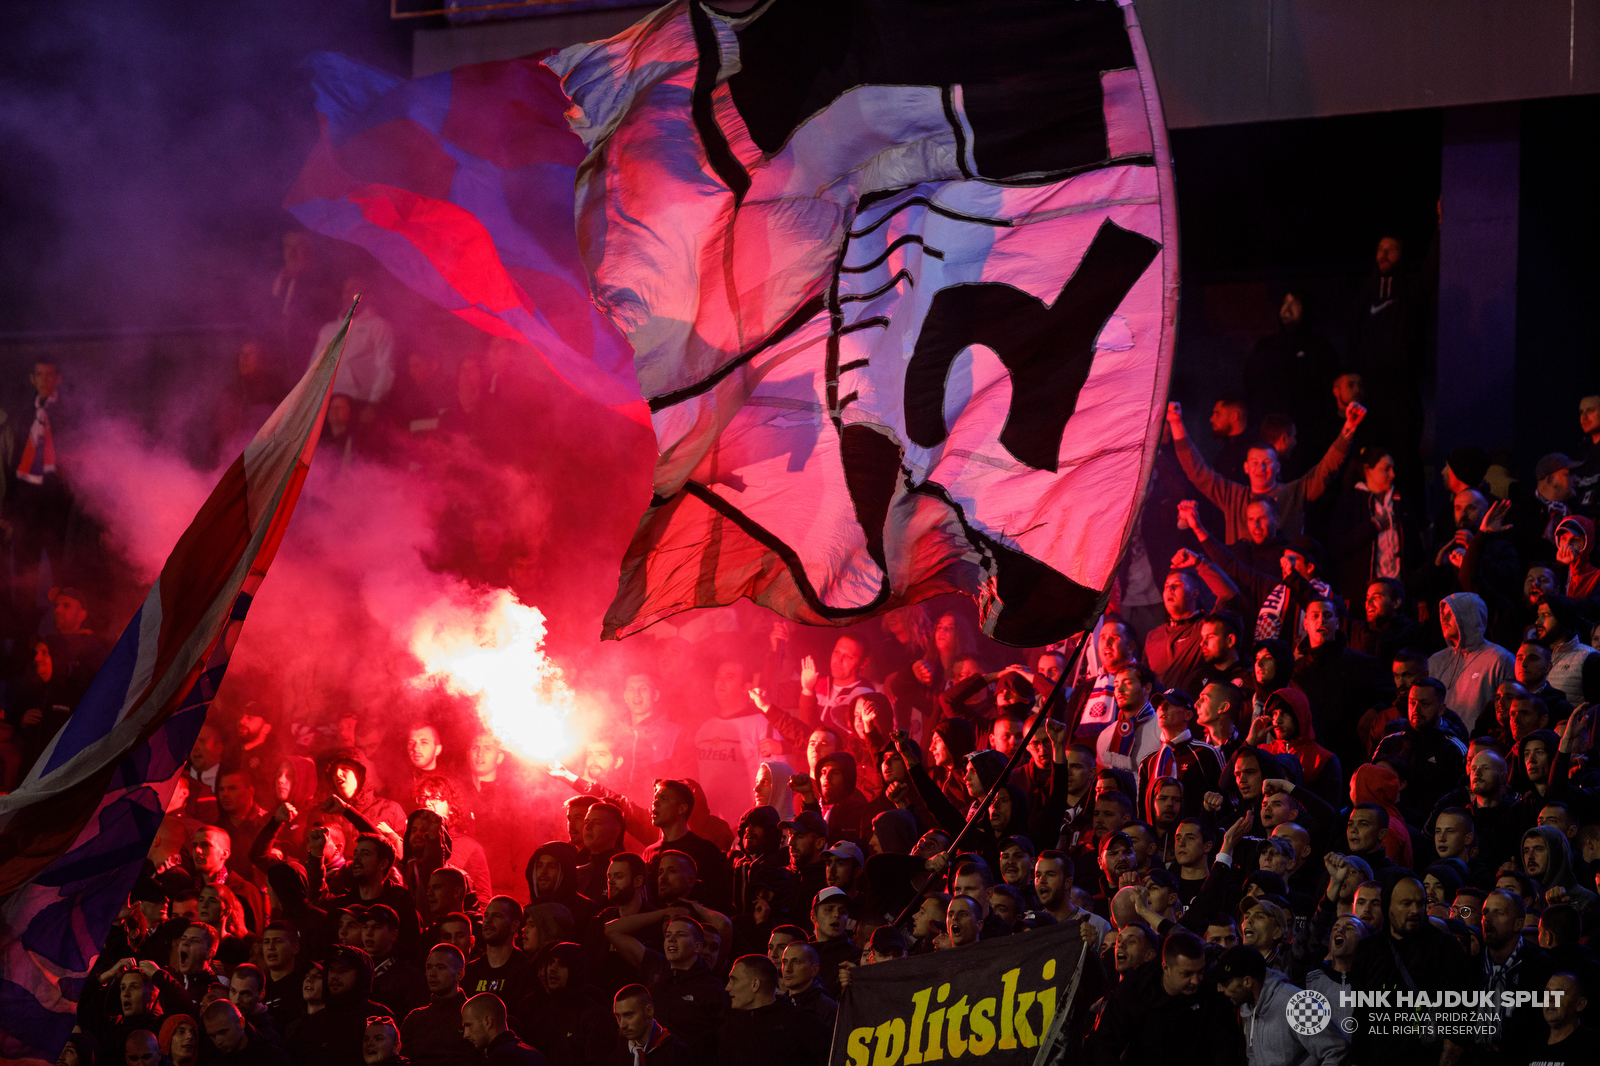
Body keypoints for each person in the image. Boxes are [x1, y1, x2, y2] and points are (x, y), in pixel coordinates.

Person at [1166, 397, 1365, 542]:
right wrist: (1175, 423)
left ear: (1277, 466)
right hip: (1245, 587)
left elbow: (1326, 470)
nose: (1260, 468)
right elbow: (1197, 471)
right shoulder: (1233, 497)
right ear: (1246, 468)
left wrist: (1349, 428)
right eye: (1254, 463)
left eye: (1267, 463)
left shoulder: (1294, 493)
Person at [1087, 932, 1244, 1064]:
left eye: (1200, 972)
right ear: (1166, 968)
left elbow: (1225, 1051)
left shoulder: (1211, 993)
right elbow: (1103, 1045)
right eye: (1187, 974)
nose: (1195, 980)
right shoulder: (1136, 989)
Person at [1212, 945, 1347, 1065]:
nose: (1219, 989)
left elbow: (1337, 1051)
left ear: (1247, 982)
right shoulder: (1249, 1008)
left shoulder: (1298, 1005)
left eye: (1225, 983)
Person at [715, 955, 827, 1066]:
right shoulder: (733, 1027)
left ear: (755, 984)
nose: (727, 987)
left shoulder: (800, 1021)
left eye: (734, 980)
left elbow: (837, 1056)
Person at [1428, 592, 1515, 733]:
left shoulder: (1500, 659)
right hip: (1439, 745)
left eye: (1451, 613)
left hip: (1479, 746)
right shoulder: (1435, 661)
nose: (1444, 619)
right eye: (1443, 613)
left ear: (1470, 616)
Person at [641, 781, 732, 914]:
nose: (655, 803)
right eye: (655, 799)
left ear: (682, 808)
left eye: (664, 799)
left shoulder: (704, 850)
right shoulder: (649, 852)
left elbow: (720, 901)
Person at [400, 945, 475, 1066]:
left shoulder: (474, 1015)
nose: (432, 973)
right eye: (429, 967)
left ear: (459, 974)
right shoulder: (415, 1019)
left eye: (441, 967)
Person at [1094, 665, 1163, 774]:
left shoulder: (1162, 729)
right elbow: (1102, 779)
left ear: (1147, 688)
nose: (1120, 690)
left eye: (1128, 683)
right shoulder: (1106, 734)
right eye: (1116, 685)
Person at [607, 985, 694, 1066]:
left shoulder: (678, 1052)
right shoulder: (617, 1058)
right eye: (618, 1017)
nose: (622, 1025)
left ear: (649, 1011)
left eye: (629, 1015)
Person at [459, 994, 547, 1066]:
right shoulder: (532, 1054)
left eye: (469, 1025)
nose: (465, 1035)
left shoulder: (501, 1059)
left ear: (487, 1021)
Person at [202, 1001, 292, 1066]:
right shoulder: (215, 1061)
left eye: (223, 1032)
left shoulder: (273, 1058)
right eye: (212, 1036)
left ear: (241, 1023)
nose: (218, 1041)